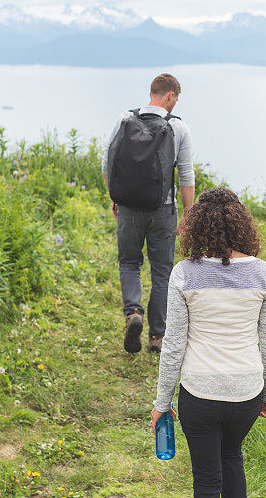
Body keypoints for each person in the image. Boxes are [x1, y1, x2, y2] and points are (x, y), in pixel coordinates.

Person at [151, 188, 266, 498]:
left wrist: (162, 403)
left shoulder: (184, 273)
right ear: (242, 224)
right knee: (232, 457)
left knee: (207, 481)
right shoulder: (263, 273)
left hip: (199, 394)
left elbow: (173, 345)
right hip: (246, 393)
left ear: (196, 225)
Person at [102, 73, 195, 354]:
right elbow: (186, 176)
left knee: (129, 263)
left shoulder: (124, 120)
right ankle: (157, 337)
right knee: (162, 272)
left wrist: (115, 198)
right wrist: (188, 214)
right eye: (175, 99)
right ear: (170, 96)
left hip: (128, 208)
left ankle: (133, 313)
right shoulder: (178, 128)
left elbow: (107, 164)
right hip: (162, 211)